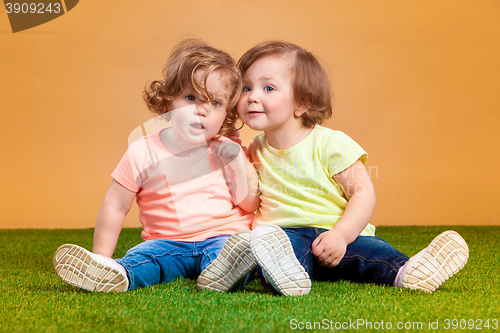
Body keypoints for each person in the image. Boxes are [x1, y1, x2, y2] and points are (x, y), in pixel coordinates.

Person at [215, 40, 469, 296]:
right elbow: (253, 199)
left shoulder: (329, 143)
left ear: (302, 102)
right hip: (284, 235)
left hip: (336, 234)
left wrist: (342, 235)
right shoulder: (255, 149)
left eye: (268, 87)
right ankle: (288, 276)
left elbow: (363, 193)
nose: (251, 97)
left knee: (372, 251)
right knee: (272, 250)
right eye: (246, 88)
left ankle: (409, 270)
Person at [52, 39, 260, 292]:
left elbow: (249, 205)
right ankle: (112, 273)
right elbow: (116, 206)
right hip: (167, 243)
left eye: (215, 103)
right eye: (191, 97)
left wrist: (239, 163)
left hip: (223, 237)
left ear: (226, 113)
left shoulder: (227, 150)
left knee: (236, 254)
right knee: (145, 258)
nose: (202, 111)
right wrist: (101, 256)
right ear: (168, 101)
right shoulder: (142, 152)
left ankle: (223, 274)